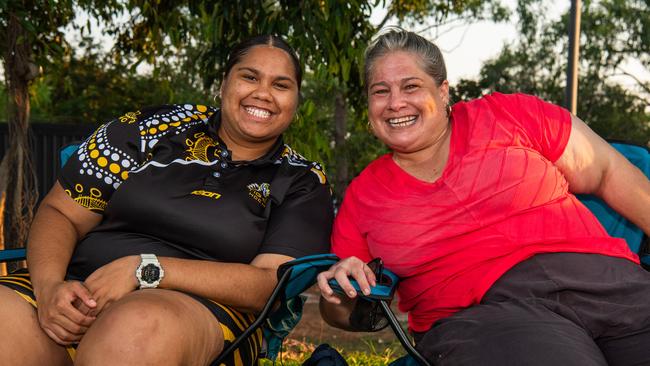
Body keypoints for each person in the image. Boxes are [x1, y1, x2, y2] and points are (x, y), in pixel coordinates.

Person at [317, 27, 650, 366]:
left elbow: (607, 169)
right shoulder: (365, 196)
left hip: (607, 283)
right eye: (380, 91)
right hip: (486, 319)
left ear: (443, 91)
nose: (396, 102)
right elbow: (340, 311)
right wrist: (338, 291)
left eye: (411, 86)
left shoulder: (509, 115)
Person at [0, 35, 334, 366]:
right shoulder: (148, 128)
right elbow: (62, 211)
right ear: (223, 84)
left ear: (296, 100)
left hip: (202, 309)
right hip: (78, 284)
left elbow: (268, 285)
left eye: (281, 85)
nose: (262, 93)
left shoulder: (301, 179)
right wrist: (49, 289)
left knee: (135, 334)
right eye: (249, 76)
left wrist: (145, 269)